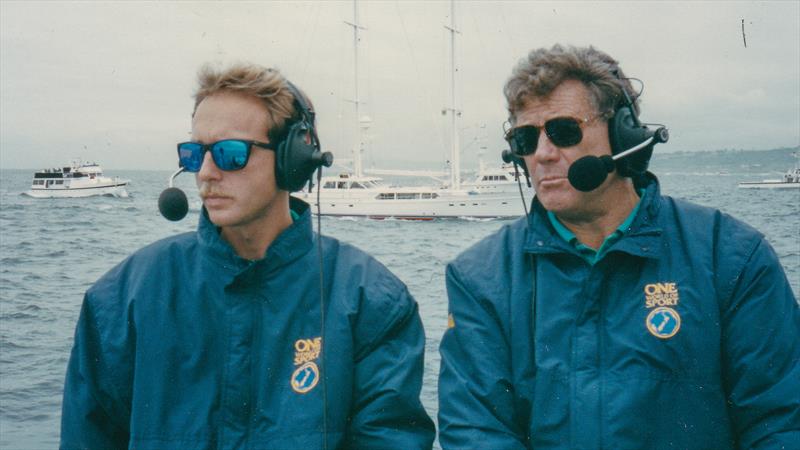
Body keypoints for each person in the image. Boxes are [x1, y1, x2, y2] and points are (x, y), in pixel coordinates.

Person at [438, 44, 800, 449]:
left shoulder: (732, 257)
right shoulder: (480, 278)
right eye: (525, 138)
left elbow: (780, 420)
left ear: (623, 133)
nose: (542, 154)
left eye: (563, 130)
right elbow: (476, 431)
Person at [60, 63, 435, 449]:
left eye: (229, 153)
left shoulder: (370, 300)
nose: (206, 173)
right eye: (194, 154)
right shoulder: (119, 300)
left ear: (293, 159)